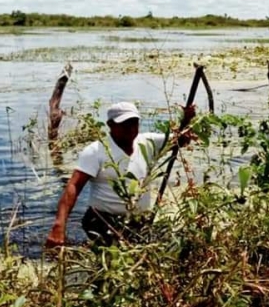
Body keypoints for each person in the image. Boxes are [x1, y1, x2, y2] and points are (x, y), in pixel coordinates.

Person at [45, 101, 195, 248]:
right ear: (110, 125)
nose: (130, 129)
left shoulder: (149, 142)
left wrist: (187, 120)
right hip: (103, 221)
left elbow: (180, 140)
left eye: (134, 123)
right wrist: (59, 225)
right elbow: (74, 186)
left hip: (138, 220)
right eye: (124, 124)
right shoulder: (96, 151)